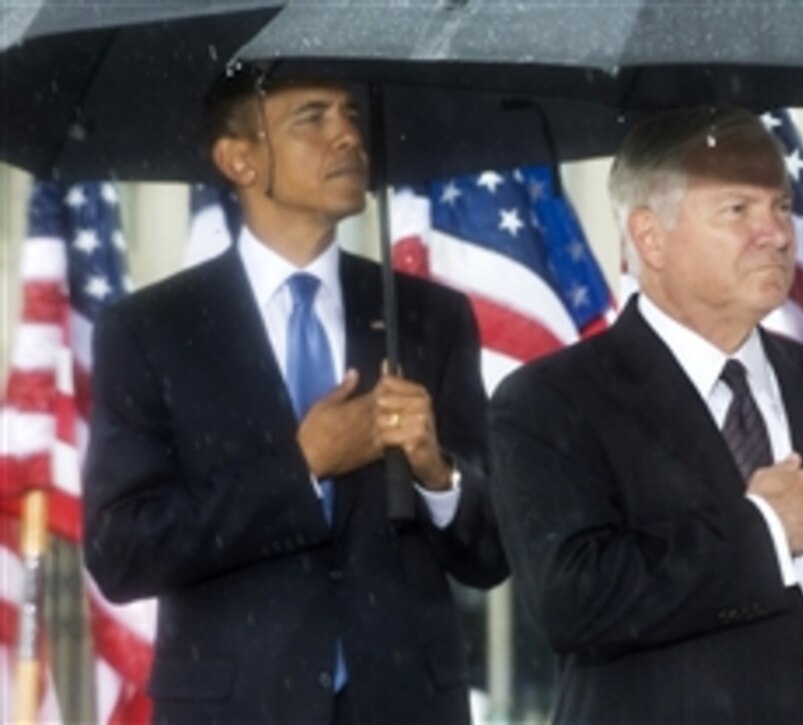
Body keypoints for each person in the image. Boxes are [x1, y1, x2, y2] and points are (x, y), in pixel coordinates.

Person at [489, 107, 803, 723]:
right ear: (650, 237)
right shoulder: (550, 399)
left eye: (782, 208)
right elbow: (572, 598)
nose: (777, 234)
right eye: (738, 210)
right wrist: (764, 529)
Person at [82, 63, 507, 724]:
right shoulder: (150, 331)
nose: (347, 137)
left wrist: (437, 472)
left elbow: (492, 554)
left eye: (353, 115)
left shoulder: (430, 318)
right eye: (313, 118)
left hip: (406, 706)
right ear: (239, 160)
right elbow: (122, 551)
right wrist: (300, 467)